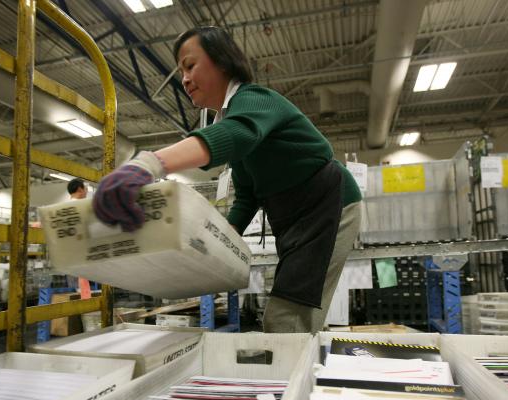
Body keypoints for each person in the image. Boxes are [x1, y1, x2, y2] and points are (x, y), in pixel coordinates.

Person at [93, 26, 362, 333]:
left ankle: (291, 377)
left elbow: (236, 134)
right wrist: (217, 242)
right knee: (290, 315)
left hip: (330, 208)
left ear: (222, 61)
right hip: (298, 219)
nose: (184, 79)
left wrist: (149, 163)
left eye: (190, 66)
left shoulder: (256, 100)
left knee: (289, 316)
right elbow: (247, 195)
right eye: (181, 71)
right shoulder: (233, 117)